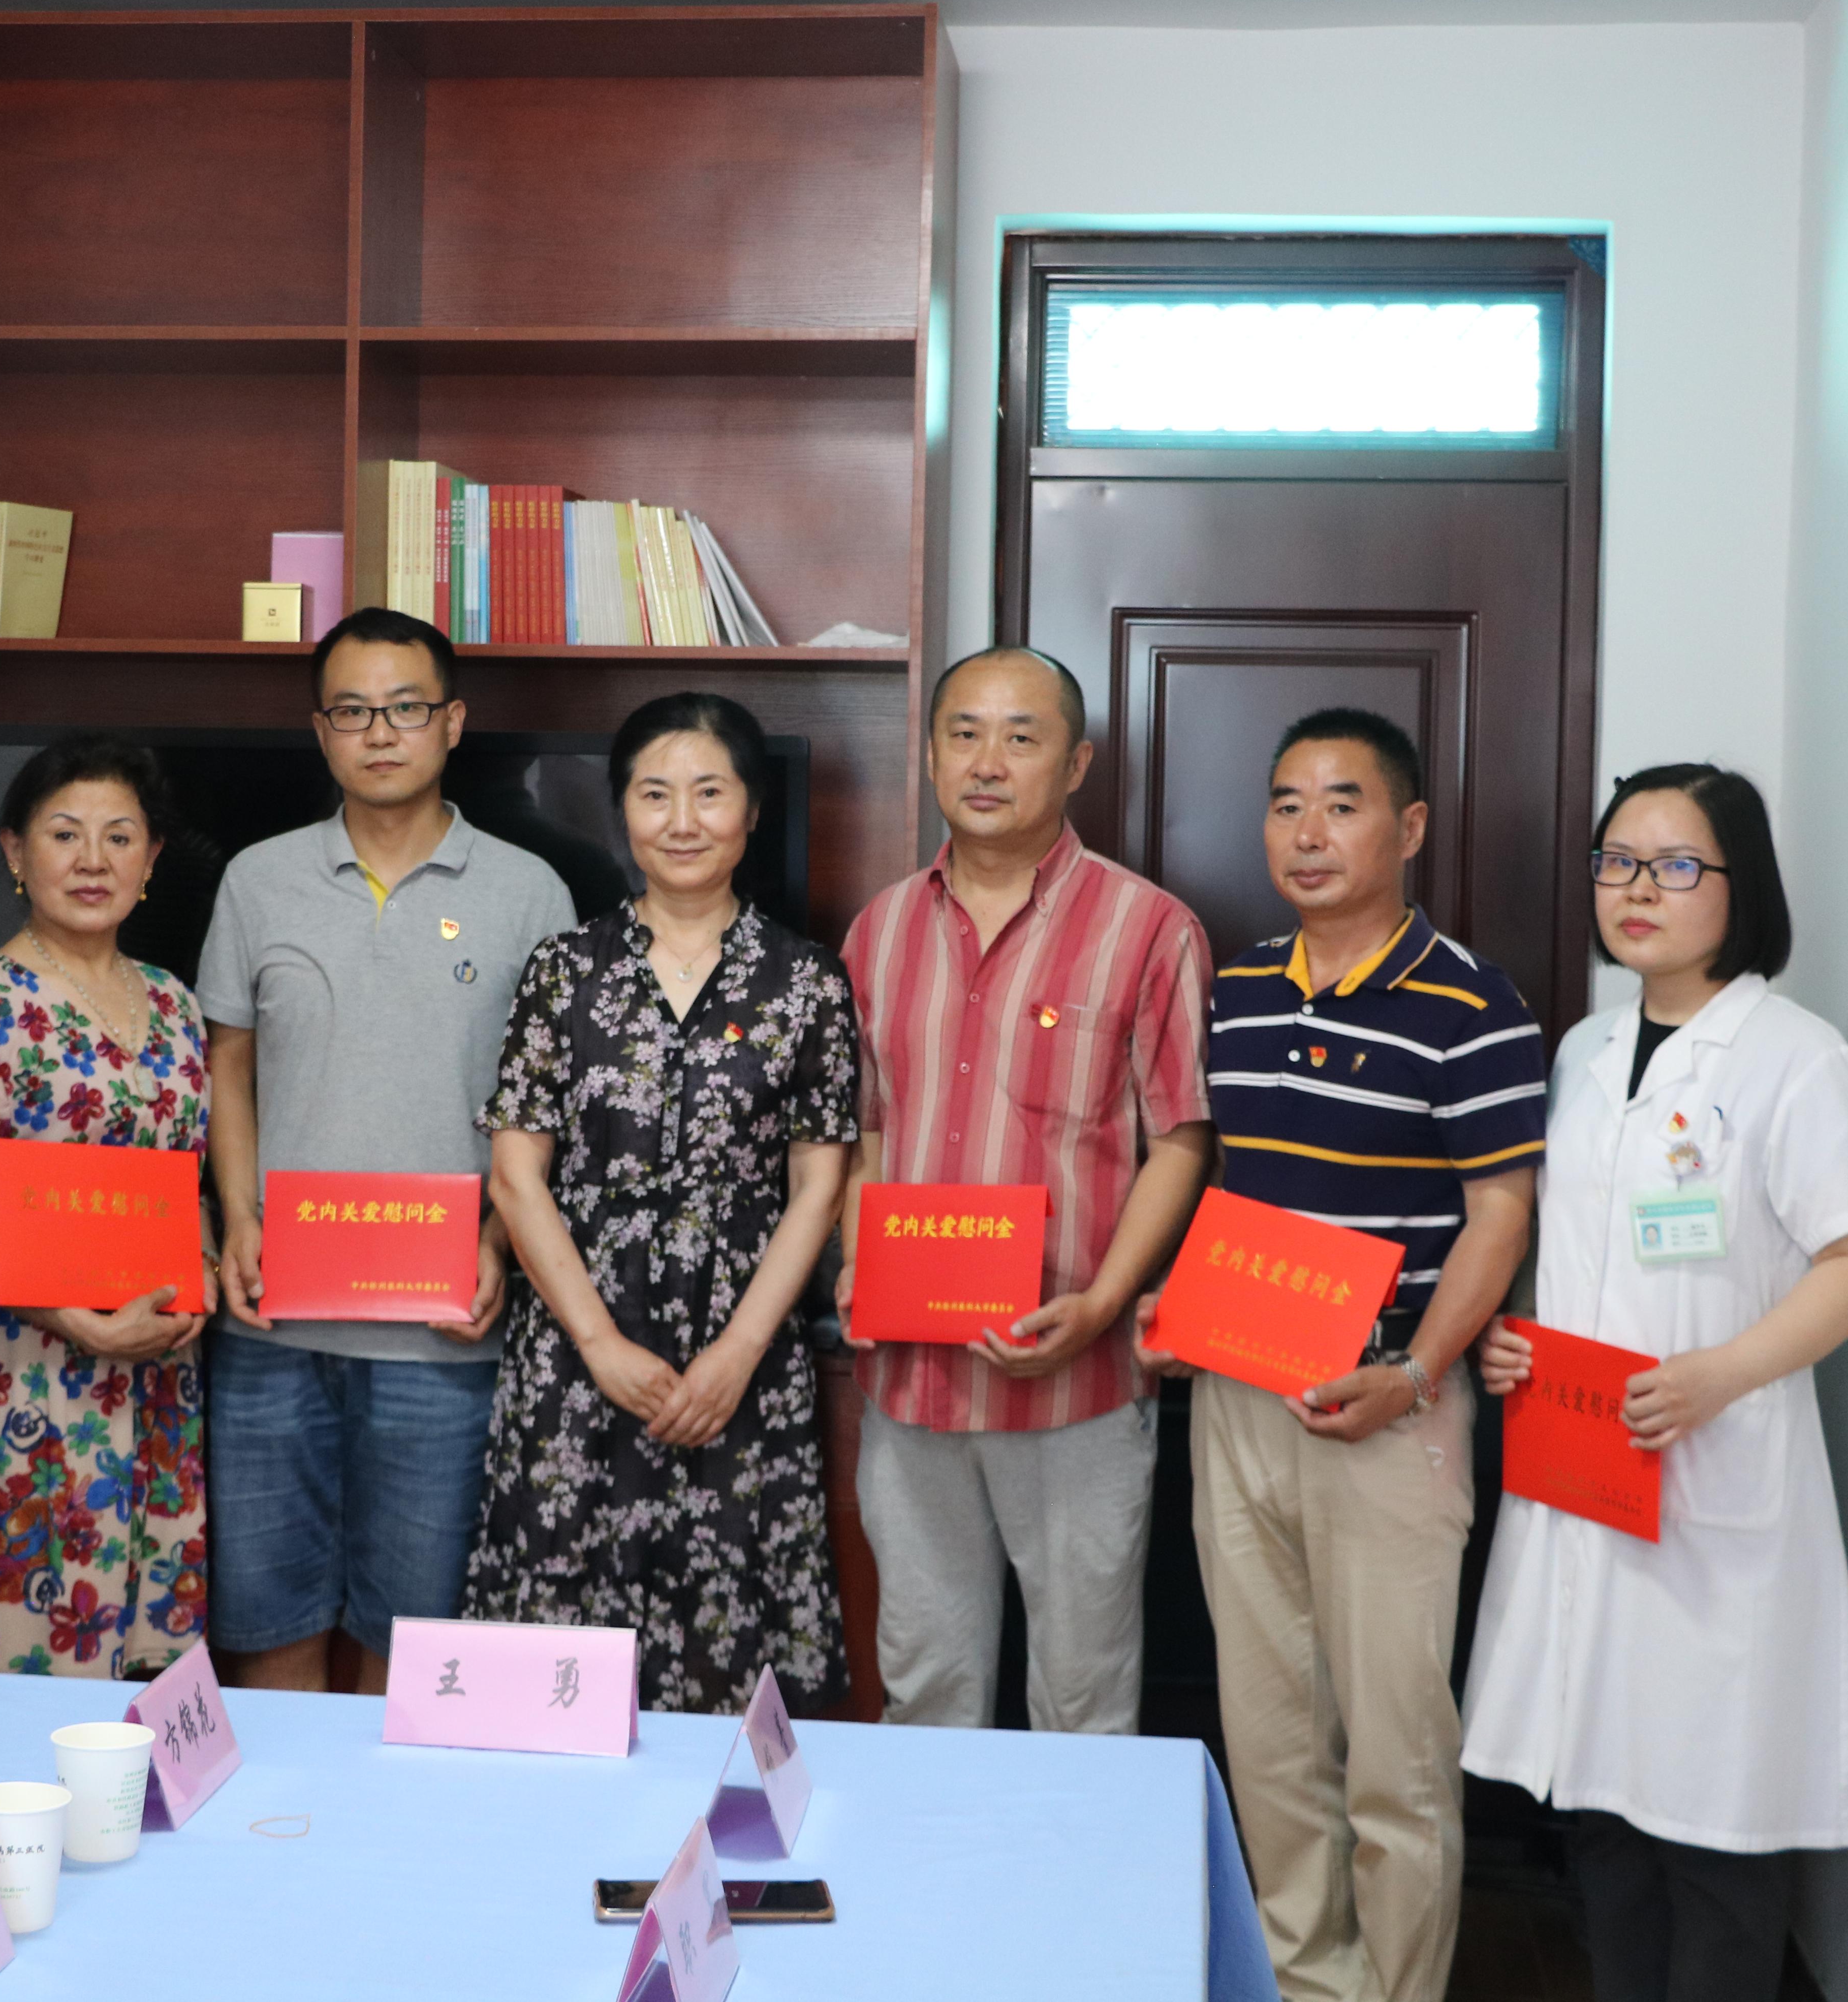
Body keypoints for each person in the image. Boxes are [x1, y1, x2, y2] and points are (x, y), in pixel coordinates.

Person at [1461, 764, 1848, 2002]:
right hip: (1586, 1462)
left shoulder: (1797, 1061)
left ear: (1740, 885)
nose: (1637, 889)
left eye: (1676, 865)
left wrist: (1721, 1375)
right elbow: (1577, 1249)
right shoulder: (1585, 1050)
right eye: (1617, 861)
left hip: (1715, 1474)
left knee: (1714, 1821)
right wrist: (1518, 1335)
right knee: (1601, 1798)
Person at [1140, 706, 1543, 2002]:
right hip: (1239, 1395)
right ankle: (1306, 1978)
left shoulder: (1472, 1002)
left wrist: (1417, 1373)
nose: (1308, 833)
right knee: (1266, 1736)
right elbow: (1231, 1181)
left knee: (1396, 1753)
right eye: (1286, 804)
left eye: (1343, 803)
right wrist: (1180, 1306)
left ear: (1409, 826)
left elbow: (1501, 1216)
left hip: (1390, 1404)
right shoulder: (1243, 988)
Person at [199, 607, 577, 1692]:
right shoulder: (258, 878)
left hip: (442, 1328)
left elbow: (550, 1104)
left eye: (406, 708)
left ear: (452, 722)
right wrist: (239, 1219)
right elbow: (230, 1063)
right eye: (353, 711)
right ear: (321, 732)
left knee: (416, 1637)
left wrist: (499, 1241)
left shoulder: (530, 891)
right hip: (274, 1320)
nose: (380, 733)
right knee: (266, 1614)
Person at [838, 645, 1214, 1734]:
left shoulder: (1149, 927)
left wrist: (1101, 1305)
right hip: (910, 1381)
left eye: (1021, 736)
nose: (988, 761)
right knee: (925, 1685)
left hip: (1073, 1385)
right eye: (964, 733)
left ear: (1077, 762)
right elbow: (868, 1127)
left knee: (1082, 1695)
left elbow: (1181, 1140)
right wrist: (862, 1262)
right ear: (930, 755)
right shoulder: (880, 928)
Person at [462, 692, 858, 1713]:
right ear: (623, 810)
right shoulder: (564, 971)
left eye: (710, 793)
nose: (683, 820)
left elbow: (818, 1185)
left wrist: (736, 1356)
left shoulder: (808, 982)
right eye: (655, 794)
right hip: (576, 1356)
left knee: (728, 1649)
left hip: (740, 1363)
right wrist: (599, 1346)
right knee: (558, 1662)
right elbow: (516, 1176)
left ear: (752, 811)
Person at [0, 736, 215, 1677]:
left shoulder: (173, 1003)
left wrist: (200, 1273)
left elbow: (189, 1183)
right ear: (16, 851)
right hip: (32, 1368)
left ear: (152, 859)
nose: (94, 860)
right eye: (65, 834)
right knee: (32, 1628)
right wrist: (82, 1323)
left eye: (120, 837)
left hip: (159, 1367)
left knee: (146, 1651)